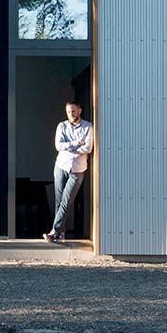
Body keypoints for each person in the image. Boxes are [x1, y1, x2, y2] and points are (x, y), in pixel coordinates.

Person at [47, 101, 93, 243]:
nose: (71, 114)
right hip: (61, 166)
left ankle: (54, 231)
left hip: (77, 170)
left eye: (73, 111)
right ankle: (60, 234)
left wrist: (70, 147)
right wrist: (76, 144)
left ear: (79, 110)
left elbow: (88, 148)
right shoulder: (62, 126)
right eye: (68, 112)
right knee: (59, 201)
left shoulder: (88, 127)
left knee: (67, 200)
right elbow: (58, 145)